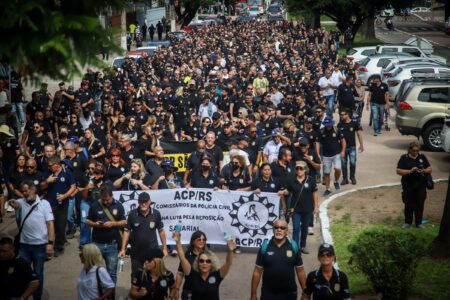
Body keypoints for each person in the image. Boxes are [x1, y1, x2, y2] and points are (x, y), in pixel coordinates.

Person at [8, 180, 55, 300]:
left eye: (26, 191)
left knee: (38, 274)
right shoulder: (21, 202)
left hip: (40, 246)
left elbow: (50, 224)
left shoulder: (44, 204)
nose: (24, 193)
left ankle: (37, 298)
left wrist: (50, 243)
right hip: (24, 246)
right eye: (23, 191)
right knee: (22, 274)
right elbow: (15, 204)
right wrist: (12, 202)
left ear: (33, 190)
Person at [250, 219, 307, 300]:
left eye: (282, 228)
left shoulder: (293, 246)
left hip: (289, 294)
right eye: (276, 227)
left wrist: (305, 293)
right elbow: (257, 271)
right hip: (268, 293)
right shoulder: (265, 246)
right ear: (273, 230)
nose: (279, 230)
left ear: (286, 230)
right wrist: (253, 294)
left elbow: (300, 271)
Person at [173, 230, 235, 300]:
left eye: (208, 261)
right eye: (201, 261)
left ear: (212, 263)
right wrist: (178, 242)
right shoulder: (193, 275)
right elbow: (182, 258)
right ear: (197, 263)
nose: (204, 263)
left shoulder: (217, 276)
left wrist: (230, 250)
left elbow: (228, 263)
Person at [119, 192, 168, 276]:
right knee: (136, 276)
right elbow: (126, 232)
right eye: (141, 202)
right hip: (136, 252)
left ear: (150, 202)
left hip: (152, 251)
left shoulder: (156, 213)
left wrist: (164, 248)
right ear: (138, 202)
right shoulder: (132, 214)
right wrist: (123, 249)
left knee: (153, 275)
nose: (143, 204)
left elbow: (161, 231)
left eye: (145, 201)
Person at [86, 185, 127, 285]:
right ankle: (98, 293)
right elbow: (87, 221)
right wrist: (95, 224)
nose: (105, 202)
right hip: (97, 244)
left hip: (112, 245)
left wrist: (113, 224)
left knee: (112, 272)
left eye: (107, 200)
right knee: (95, 271)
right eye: (103, 200)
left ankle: (110, 295)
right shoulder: (95, 205)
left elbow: (124, 222)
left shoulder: (118, 205)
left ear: (112, 196)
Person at [282, 161, 319, 254]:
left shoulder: (311, 180)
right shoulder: (292, 180)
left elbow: (314, 193)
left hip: (308, 209)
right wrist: (282, 192)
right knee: (296, 228)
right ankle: (295, 247)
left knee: (305, 228)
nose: (299, 170)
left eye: (301, 168)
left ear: (305, 170)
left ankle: (302, 246)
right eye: (297, 168)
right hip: (295, 209)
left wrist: (316, 207)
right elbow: (288, 191)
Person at [396, 141, 432, 229]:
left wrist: (423, 170)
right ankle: (408, 222)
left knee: (420, 203)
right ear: (409, 150)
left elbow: (430, 168)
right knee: (408, 203)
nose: (416, 152)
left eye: (417, 150)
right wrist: (410, 171)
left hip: (420, 185)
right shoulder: (404, 158)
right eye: (414, 150)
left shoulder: (422, 157)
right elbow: (398, 171)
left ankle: (418, 223)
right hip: (408, 185)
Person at [172, 231, 207, 300]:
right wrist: (177, 289)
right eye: (199, 239)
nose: (202, 241)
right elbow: (180, 273)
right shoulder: (187, 255)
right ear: (193, 242)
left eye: (204, 240)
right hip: (189, 292)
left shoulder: (208, 255)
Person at [318, 117, 346, 197]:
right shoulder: (321, 131)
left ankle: (336, 181)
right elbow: (318, 143)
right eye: (327, 125)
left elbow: (343, 140)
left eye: (329, 125)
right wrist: (318, 154)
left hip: (336, 153)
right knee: (327, 173)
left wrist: (343, 151)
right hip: (326, 155)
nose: (328, 126)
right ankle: (327, 189)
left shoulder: (336, 130)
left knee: (338, 169)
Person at [338, 109, 364, 185]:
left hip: (352, 147)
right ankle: (345, 179)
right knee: (343, 164)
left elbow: (359, 134)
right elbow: (338, 137)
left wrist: (361, 145)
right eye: (341, 115)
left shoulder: (354, 123)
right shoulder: (340, 125)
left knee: (352, 163)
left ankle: (352, 177)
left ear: (347, 115)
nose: (341, 116)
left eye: (343, 115)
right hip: (342, 148)